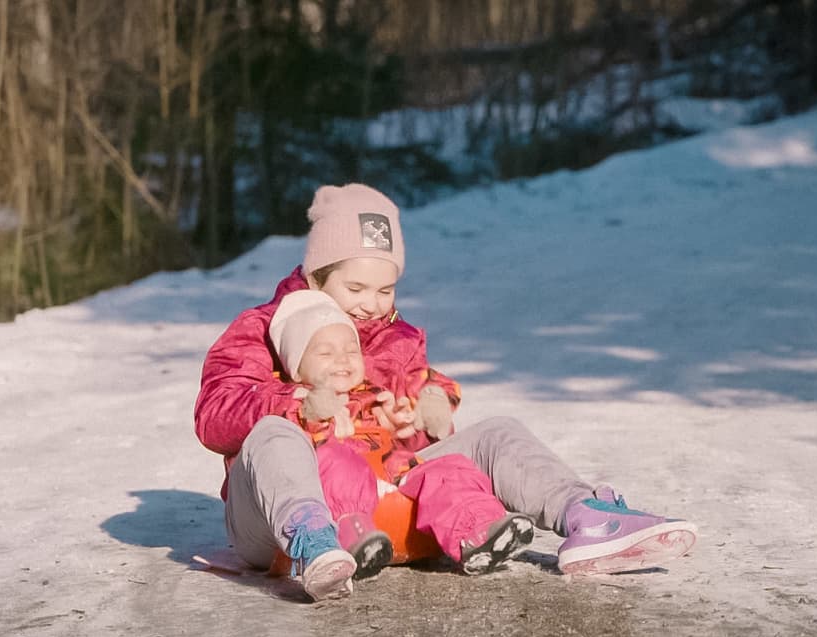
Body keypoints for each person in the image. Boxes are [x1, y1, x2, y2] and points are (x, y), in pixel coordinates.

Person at [194, 183, 696, 601]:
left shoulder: (399, 339)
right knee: (272, 435)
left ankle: (586, 517)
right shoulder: (262, 328)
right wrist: (297, 403)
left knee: (497, 432)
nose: (371, 305)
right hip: (278, 527)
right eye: (354, 289)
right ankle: (314, 538)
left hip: (385, 506)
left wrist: (421, 414)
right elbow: (214, 413)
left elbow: (424, 440)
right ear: (316, 276)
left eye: (385, 290)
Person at [267, 288, 535, 578]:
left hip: (400, 495)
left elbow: (425, 392)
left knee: (449, 468)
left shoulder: (378, 394)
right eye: (326, 353)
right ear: (296, 368)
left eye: (351, 350)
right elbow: (287, 450)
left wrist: (412, 418)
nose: (343, 360)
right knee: (333, 460)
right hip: (358, 511)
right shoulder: (294, 401)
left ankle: (477, 530)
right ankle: (351, 535)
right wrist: (317, 416)